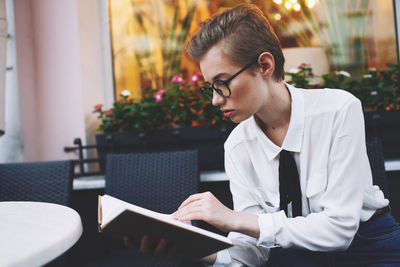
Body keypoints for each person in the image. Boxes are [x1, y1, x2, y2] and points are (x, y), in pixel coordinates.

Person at [125, 3, 400, 266]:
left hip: (369, 246)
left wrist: (233, 219)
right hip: (297, 255)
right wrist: (193, 250)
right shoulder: (237, 145)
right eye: (210, 87)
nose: (215, 100)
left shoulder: (339, 110)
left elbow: (339, 230)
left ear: (265, 65)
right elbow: (252, 252)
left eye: (222, 83)